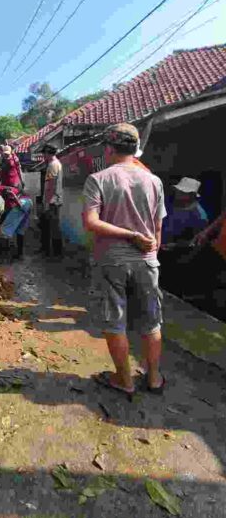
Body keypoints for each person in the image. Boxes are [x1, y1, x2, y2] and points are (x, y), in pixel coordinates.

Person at [82, 123, 167, 399]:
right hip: (147, 261)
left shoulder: (98, 179)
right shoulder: (154, 181)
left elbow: (91, 222)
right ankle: (154, 378)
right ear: (135, 149)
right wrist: (149, 251)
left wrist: (129, 235)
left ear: (109, 149)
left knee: (115, 322)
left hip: (111, 262)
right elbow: (157, 228)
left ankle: (124, 380)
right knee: (151, 322)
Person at [162, 177, 208, 246]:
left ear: (192, 195)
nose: (178, 193)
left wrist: (177, 246)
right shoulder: (169, 203)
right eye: (178, 190)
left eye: (182, 192)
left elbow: (197, 241)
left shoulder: (199, 215)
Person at [40, 144, 64, 258]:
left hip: (52, 201)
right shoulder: (55, 164)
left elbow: (51, 185)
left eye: (44, 153)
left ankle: (56, 253)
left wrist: (47, 203)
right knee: (52, 227)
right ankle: (54, 251)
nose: (43, 156)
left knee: (53, 228)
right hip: (54, 201)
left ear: (48, 153)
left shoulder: (52, 165)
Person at [0, 187, 33, 260]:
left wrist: (14, 196)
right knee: (17, 237)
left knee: (13, 236)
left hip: (20, 221)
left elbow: (21, 205)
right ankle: (17, 254)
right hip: (19, 221)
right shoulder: (26, 200)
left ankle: (15, 254)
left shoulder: (26, 200)